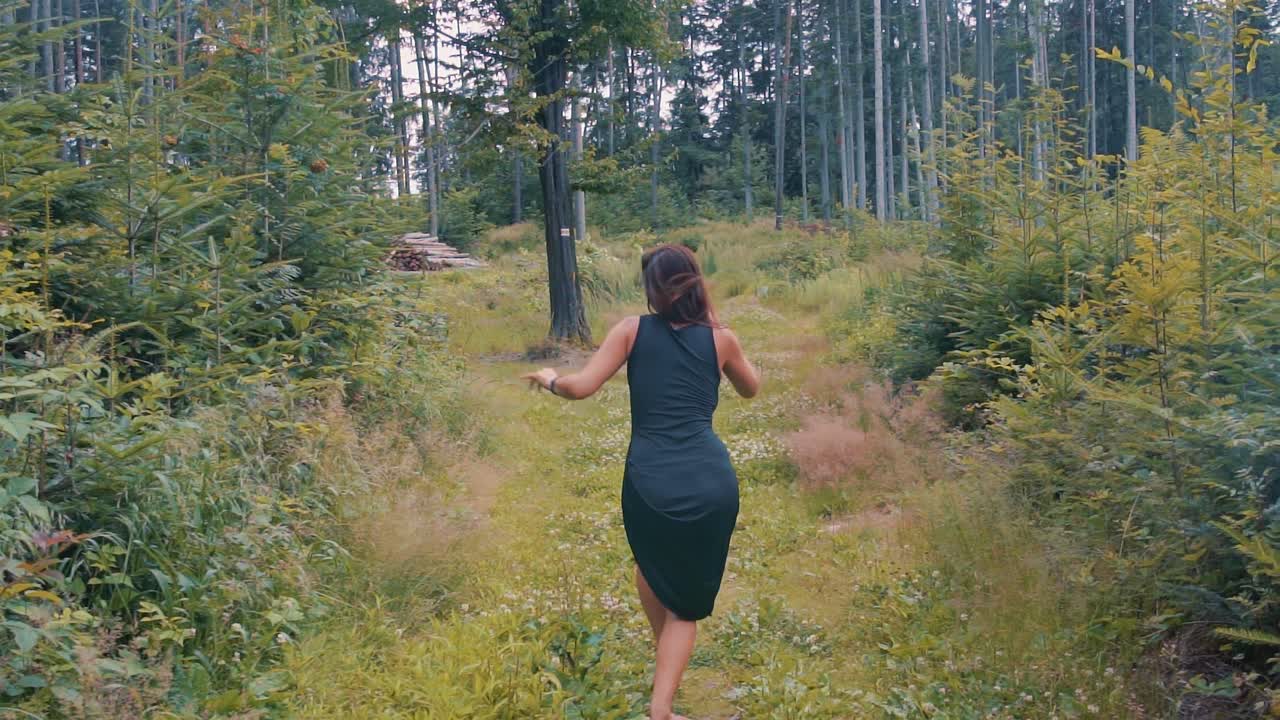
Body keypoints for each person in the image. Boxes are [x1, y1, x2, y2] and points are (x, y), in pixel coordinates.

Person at [523, 243, 761, 720]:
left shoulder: (631, 331)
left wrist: (550, 378)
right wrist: (713, 324)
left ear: (653, 290)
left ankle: (661, 702)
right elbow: (750, 388)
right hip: (709, 480)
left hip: (649, 480)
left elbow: (580, 387)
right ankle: (663, 701)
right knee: (681, 601)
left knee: (654, 570)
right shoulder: (722, 339)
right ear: (695, 285)